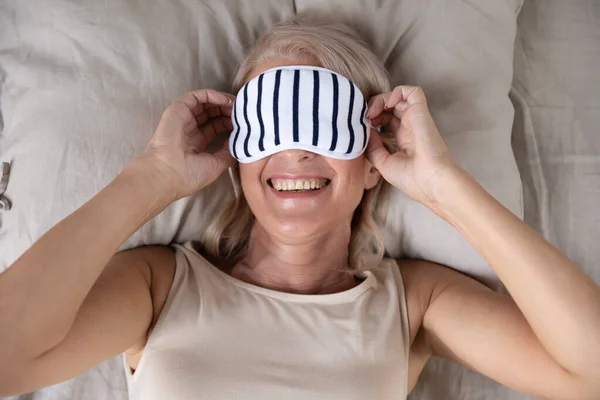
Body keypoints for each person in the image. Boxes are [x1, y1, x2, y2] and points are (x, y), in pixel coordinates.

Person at [1, 13, 599, 400]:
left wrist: (444, 185)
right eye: (272, 126)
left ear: (372, 159)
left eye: (322, 125)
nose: (296, 152)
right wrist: (151, 178)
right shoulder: (161, 286)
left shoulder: (414, 303)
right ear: (238, 154)